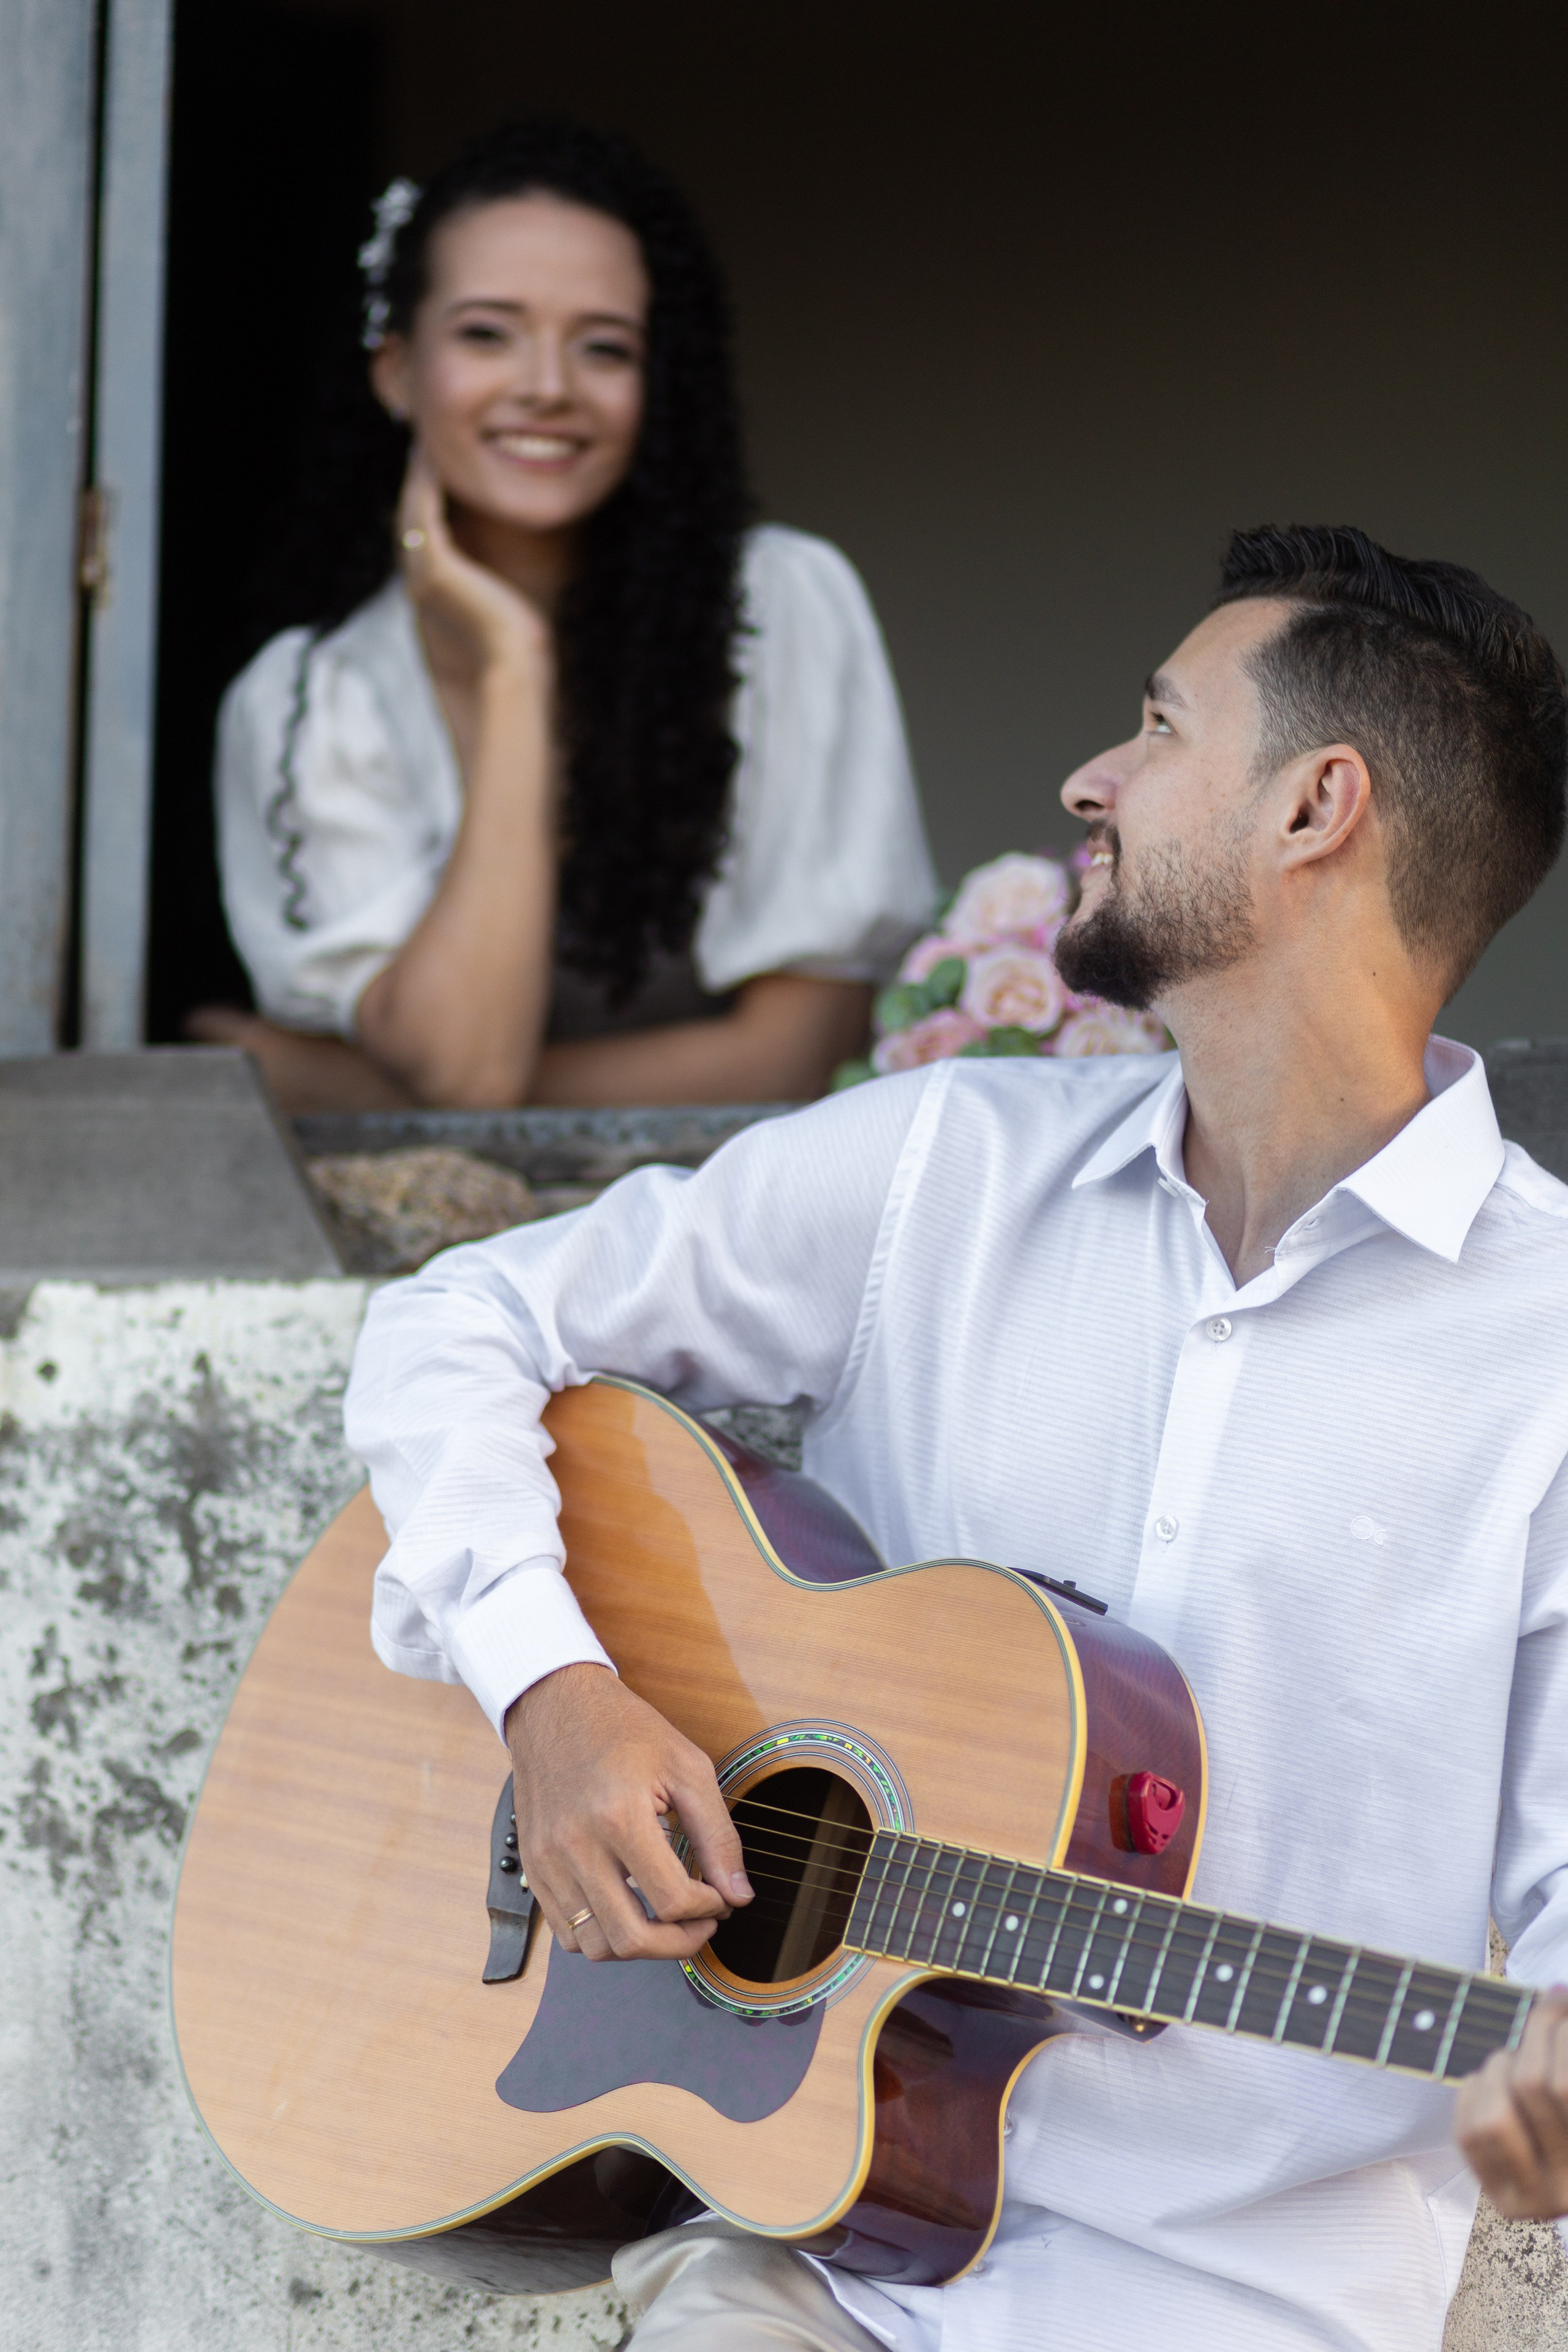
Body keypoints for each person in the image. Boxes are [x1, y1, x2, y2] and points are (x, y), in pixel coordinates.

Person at [342, 524, 1568, 2351]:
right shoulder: (943, 1169)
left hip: (1238, 2309)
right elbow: (457, 1319)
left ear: (1319, 807)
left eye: (1157, 728)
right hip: (811, 2246)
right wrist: (553, 1692)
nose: (1090, 778)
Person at [195, 119, 935, 1113]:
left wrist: (342, 1086)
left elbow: (795, 1061)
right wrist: (514, 666)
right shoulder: (308, 700)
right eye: (487, 334)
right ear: (396, 369)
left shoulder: (779, 610)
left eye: (603, 347)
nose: (547, 387)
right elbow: (465, 1065)